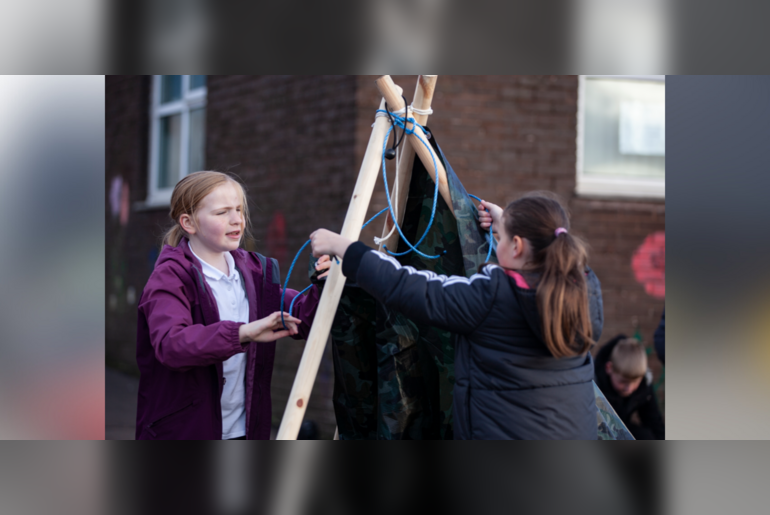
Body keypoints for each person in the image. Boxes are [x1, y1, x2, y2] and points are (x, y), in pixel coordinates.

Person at [309, 193, 603, 439]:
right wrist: (505, 223)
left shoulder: (491, 297)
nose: (496, 243)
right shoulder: (583, 289)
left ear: (517, 247)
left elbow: (412, 288)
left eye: (503, 239)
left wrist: (346, 249)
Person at [135, 171, 330, 440]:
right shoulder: (169, 278)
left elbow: (303, 318)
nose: (237, 219)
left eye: (238, 209)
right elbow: (172, 345)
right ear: (188, 223)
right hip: (183, 432)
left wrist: (322, 284)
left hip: (244, 431)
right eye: (222, 212)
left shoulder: (254, 272)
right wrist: (243, 333)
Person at [594, 335, 665, 440]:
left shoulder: (644, 385)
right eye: (623, 382)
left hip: (621, 428)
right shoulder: (595, 385)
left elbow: (654, 422)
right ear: (609, 368)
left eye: (635, 382)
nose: (629, 389)